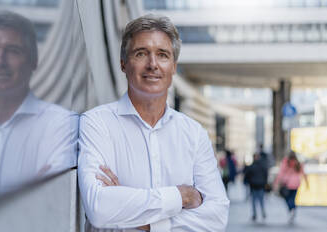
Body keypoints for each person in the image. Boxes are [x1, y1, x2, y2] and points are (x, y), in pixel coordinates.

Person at [78, 14, 229, 231]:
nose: (153, 64)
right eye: (141, 54)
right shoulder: (96, 123)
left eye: (162, 55)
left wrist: (142, 220)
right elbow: (99, 209)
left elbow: (216, 218)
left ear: (173, 66)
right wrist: (182, 196)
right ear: (123, 64)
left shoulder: (194, 133)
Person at [0, 10, 78, 207]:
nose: (0, 61)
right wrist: (27, 191)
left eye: (13, 51)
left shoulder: (63, 125)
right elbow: (35, 198)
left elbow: (54, 200)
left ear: (33, 61)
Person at [274, 151, 309, 223]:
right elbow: (303, 173)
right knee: (292, 198)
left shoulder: (286, 162)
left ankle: (291, 208)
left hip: (287, 183)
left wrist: (276, 182)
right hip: (296, 183)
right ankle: (292, 209)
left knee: (287, 198)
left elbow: (281, 173)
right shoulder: (298, 163)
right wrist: (307, 183)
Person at [245, 153, 268, 222]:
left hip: (254, 185)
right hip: (260, 185)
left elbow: (247, 175)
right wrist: (264, 182)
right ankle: (262, 212)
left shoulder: (251, 166)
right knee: (261, 200)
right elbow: (266, 174)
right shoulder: (263, 166)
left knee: (254, 201)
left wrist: (249, 181)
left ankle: (255, 214)